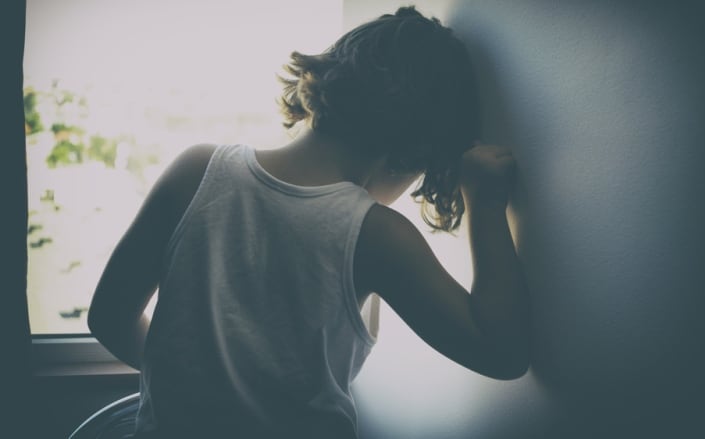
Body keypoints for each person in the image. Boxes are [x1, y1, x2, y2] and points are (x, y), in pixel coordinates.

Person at [88, 6, 530, 438]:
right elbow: (502, 355)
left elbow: (108, 317)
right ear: (416, 151)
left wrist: (193, 389)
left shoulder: (196, 170)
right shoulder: (376, 234)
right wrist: (487, 207)